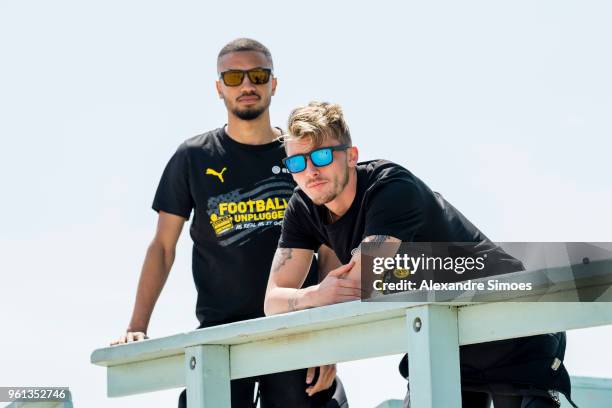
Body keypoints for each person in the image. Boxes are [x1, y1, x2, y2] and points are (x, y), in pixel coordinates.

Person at [264, 101, 577, 408]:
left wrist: (318, 296)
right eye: (297, 163)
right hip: (448, 344)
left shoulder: (390, 187)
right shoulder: (303, 206)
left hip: (512, 327)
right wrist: (318, 294)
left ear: (351, 156)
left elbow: (365, 279)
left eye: (321, 155)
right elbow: (272, 301)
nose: (310, 171)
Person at [111, 39, 347, 408]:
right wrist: (136, 326)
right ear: (219, 87)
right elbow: (162, 246)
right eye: (234, 77)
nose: (247, 85)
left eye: (258, 74)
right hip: (221, 334)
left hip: (295, 326)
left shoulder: (300, 158)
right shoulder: (193, 157)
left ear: (274, 84)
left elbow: (328, 244)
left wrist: (326, 335)